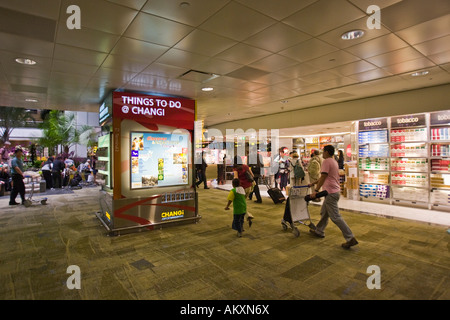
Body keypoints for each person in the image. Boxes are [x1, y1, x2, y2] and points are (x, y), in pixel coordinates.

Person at [308, 145, 358, 249]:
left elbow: (323, 176)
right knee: (324, 213)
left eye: (323, 151)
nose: (322, 153)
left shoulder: (326, 162)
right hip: (334, 191)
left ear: (326, 152)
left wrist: (316, 191)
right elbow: (327, 176)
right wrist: (313, 183)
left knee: (335, 217)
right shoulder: (334, 161)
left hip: (330, 192)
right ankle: (319, 231)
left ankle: (350, 237)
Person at [233, 155, 255, 226]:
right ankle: (246, 215)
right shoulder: (245, 166)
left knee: (241, 204)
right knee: (243, 202)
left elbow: (236, 178)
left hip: (241, 188)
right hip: (249, 187)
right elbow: (252, 175)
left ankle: (247, 216)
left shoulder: (236, 168)